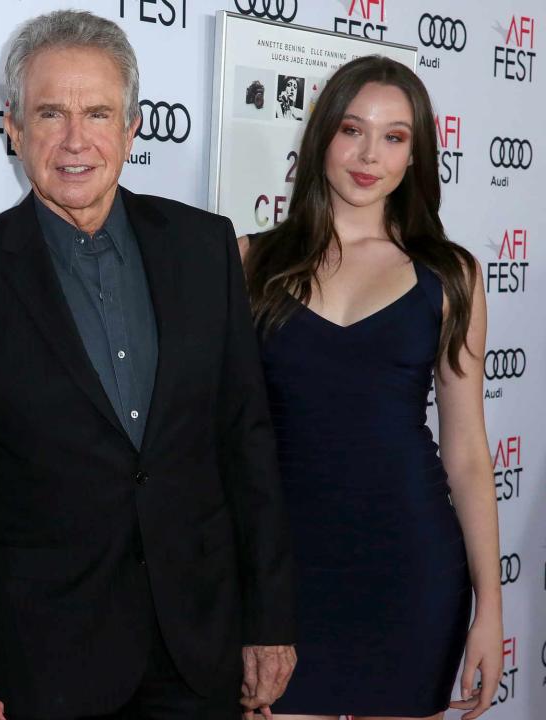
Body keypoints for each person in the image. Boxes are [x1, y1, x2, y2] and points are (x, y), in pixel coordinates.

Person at [0, 10, 295, 720]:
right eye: (50, 113)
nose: (74, 139)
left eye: (97, 112)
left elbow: (245, 437)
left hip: (198, 648)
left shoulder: (204, 248)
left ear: (131, 127)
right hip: (42, 662)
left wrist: (268, 618)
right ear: (13, 128)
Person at [240, 56, 502, 720]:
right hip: (284, 574)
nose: (368, 154)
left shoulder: (452, 275)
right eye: (352, 130)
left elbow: (468, 452)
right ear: (322, 135)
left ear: (416, 155)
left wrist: (490, 610)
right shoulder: (249, 261)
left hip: (412, 566)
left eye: (394, 137)